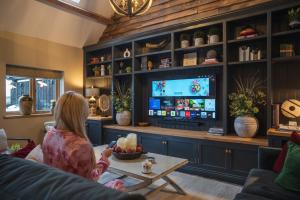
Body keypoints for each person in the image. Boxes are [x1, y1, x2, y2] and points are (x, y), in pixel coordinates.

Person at [42, 91, 124, 191]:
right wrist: (104, 158)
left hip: (54, 190)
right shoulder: (80, 146)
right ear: (79, 116)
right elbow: (91, 180)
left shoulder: (49, 135)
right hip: (75, 193)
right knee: (118, 185)